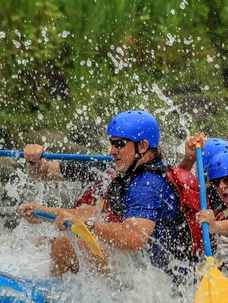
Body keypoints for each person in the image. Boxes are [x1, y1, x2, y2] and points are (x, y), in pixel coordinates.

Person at [18, 110, 201, 278]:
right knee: (46, 241)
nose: (111, 151)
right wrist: (43, 208)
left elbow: (135, 238)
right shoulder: (121, 171)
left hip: (163, 277)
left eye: (119, 144)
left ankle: (52, 296)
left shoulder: (147, 184)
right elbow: (95, 212)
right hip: (146, 267)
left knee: (64, 245)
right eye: (111, 144)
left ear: (143, 146)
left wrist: (86, 226)